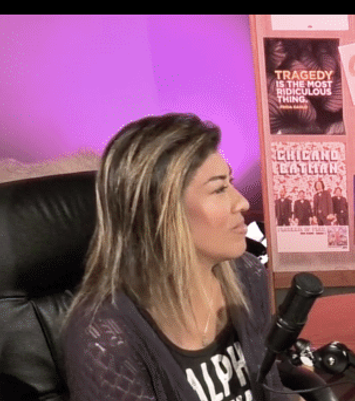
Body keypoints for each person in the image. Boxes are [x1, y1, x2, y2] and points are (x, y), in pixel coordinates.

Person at [63, 113, 301, 401]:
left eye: (231, 182)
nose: (242, 202)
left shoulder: (248, 275)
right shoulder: (103, 338)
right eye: (219, 188)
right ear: (159, 212)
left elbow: (269, 386)